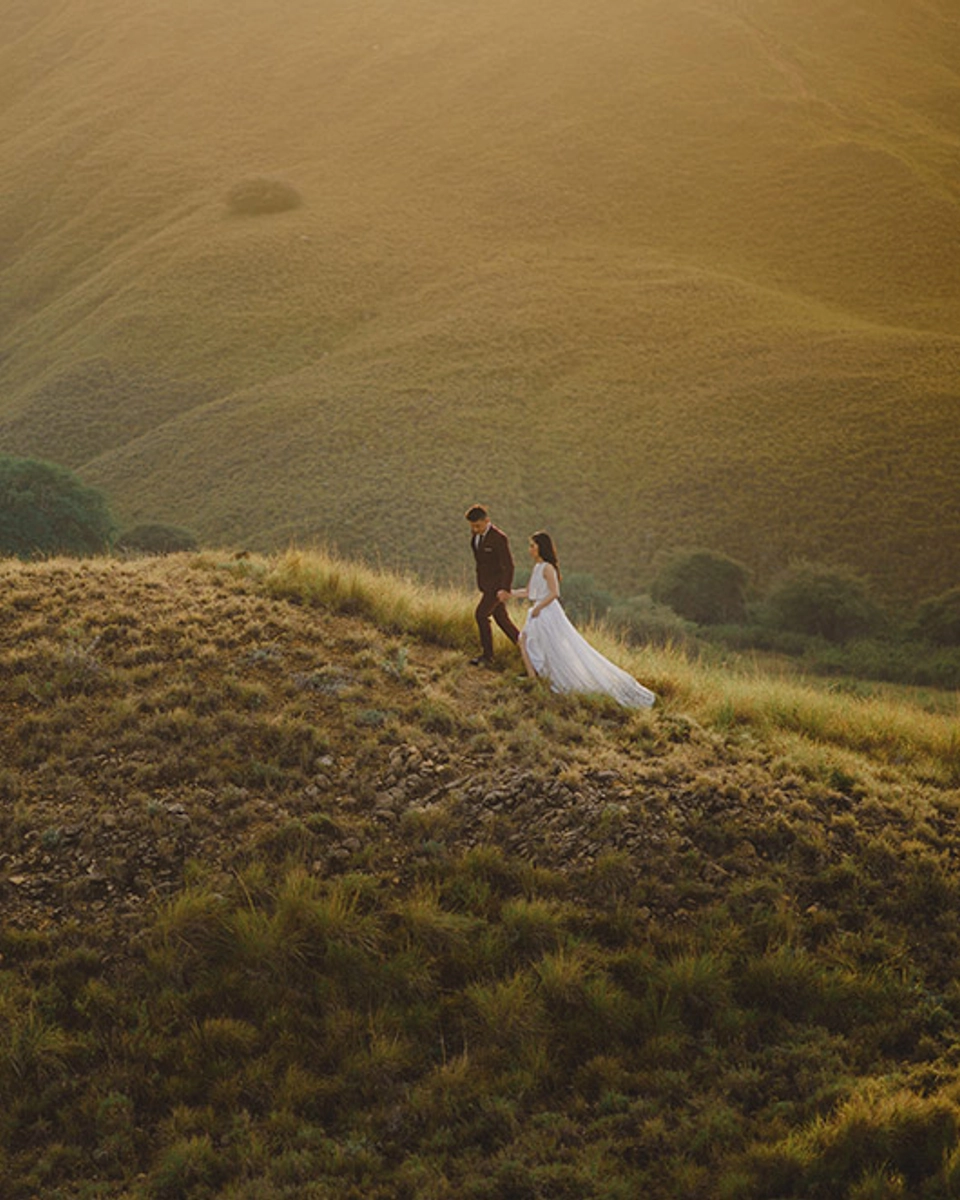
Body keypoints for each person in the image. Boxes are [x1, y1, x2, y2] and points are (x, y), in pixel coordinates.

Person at [499, 531, 655, 708]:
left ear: (541, 547)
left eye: (532, 546)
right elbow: (528, 592)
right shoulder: (537, 567)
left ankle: (537, 679)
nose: (530, 550)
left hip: (547, 612)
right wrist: (509, 594)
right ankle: (533, 678)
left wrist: (539, 608)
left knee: (536, 643)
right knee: (524, 640)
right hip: (538, 610)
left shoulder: (548, 567)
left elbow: (555, 592)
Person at [465, 504, 520, 666]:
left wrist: (505, 588)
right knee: (501, 619)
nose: (475, 529)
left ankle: (488, 657)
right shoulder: (475, 535)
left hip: (496, 588)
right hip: (485, 585)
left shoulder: (499, 538)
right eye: (472, 526)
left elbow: (509, 565)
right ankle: (525, 649)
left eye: (478, 526)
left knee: (481, 615)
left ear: (487, 521)